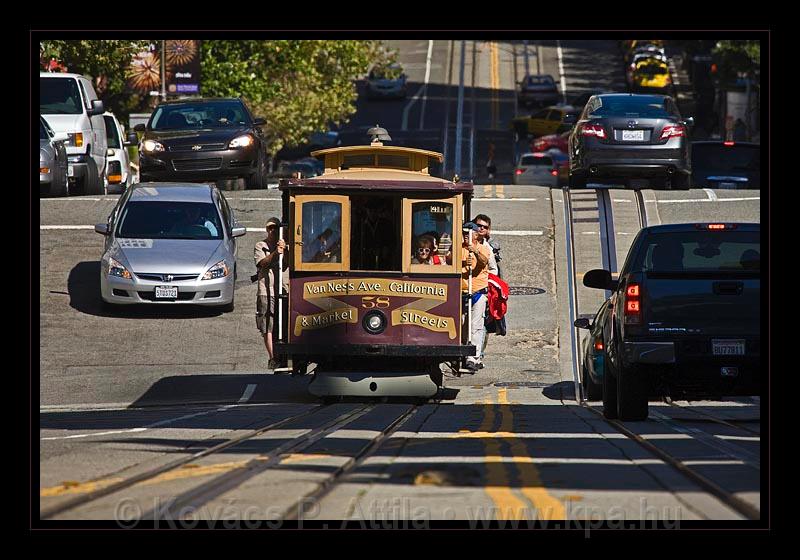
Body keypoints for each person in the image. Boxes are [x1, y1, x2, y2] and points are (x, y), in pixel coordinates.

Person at [254, 217, 288, 371]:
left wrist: (285, 250)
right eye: (270, 228)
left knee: (285, 323)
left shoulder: (286, 245)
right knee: (268, 325)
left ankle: (285, 356)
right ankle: (272, 358)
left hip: (284, 289)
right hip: (266, 291)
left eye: (275, 227)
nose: (272, 230)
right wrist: (276, 252)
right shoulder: (261, 245)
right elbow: (262, 263)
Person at [461, 221, 490, 372]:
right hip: (462, 293)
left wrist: (475, 252)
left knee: (476, 326)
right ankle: (463, 353)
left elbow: (484, 261)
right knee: (464, 325)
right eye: (464, 234)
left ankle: (474, 357)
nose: (466, 236)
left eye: (469, 233)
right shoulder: (460, 250)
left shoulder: (483, 248)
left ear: (476, 235)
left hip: (478, 292)